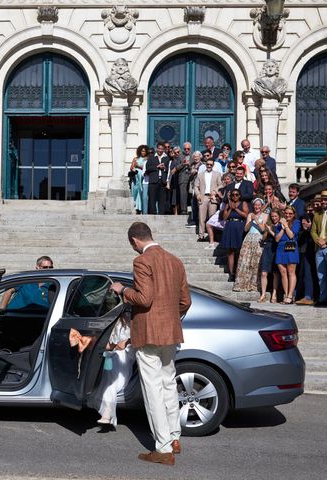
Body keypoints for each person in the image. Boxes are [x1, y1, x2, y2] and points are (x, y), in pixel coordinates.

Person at [111, 222, 191, 466]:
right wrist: (167, 318)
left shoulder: (142, 261)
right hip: (170, 332)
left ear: (135, 240)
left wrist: (123, 289)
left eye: (132, 245)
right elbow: (185, 302)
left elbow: (144, 299)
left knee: (153, 389)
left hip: (148, 333)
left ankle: (163, 447)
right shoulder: (175, 260)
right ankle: (175, 437)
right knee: (168, 384)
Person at [91, 309, 134, 429]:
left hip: (126, 357)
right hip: (112, 356)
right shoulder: (116, 321)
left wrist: (127, 341)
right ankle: (108, 411)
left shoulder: (136, 320)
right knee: (109, 371)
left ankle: (107, 412)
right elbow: (110, 345)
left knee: (112, 368)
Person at [233, 198, 267, 293]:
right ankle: (243, 284)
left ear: (262, 206)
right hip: (248, 239)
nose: (257, 207)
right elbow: (246, 229)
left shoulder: (265, 215)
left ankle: (254, 285)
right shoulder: (250, 215)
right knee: (245, 261)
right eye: (255, 205)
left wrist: (256, 218)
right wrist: (251, 220)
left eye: (259, 205)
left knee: (256, 263)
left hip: (258, 239)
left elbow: (263, 229)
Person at [221, 189, 249, 281]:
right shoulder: (228, 204)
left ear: (239, 196)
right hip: (230, 227)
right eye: (233, 195)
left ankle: (239, 271)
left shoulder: (243, 203)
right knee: (231, 251)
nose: (235, 196)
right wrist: (230, 209)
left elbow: (246, 215)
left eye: (237, 195)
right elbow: (224, 218)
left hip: (240, 227)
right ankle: (231, 273)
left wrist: (236, 209)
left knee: (239, 251)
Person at [275, 206, 301, 304]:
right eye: (286, 213)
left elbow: (291, 235)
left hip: (291, 246)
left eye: (290, 213)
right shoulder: (280, 223)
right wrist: (282, 228)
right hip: (281, 247)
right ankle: (285, 295)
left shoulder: (296, 222)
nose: (288, 215)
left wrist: (285, 226)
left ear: (294, 214)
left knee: (291, 272)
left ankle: (290, 296)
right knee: (283, 272)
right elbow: (277, 239)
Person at [193, 157, 222, 244]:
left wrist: (215, 191)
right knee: (202, 217)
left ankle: (211, 236)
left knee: (212, 218)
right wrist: (198, 195)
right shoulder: (200, 174)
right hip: (203, 196)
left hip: (212, 197)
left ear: (213, 165)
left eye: (211, 165)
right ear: (205, 164)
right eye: (208, 164)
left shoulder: (217, 174)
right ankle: (201, 235)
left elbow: (221, 185)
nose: (209, 166)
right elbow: (195, 186)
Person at [295, 215, 319, 305]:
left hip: (313, 251)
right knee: (304, 274)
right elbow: (300, 239)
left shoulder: (315, 223)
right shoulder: (301, 228)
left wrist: (309, 229)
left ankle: (311, 296)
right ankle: (306, 296)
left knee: (311, 274)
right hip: (304, 252)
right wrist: (305, 229)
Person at [260, 209, 282, 303]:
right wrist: (266, 230)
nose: (274, 218)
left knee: (275, 273)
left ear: (279, 216)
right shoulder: (269, 225)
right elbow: (264, 238)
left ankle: (274, 294)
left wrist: (271, 231)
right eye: (272, 216)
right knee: (264, 272)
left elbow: (278, 239)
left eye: (275, 216)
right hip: (268, 248)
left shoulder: (281, 226)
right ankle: (263, 294)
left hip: (277, 249)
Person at [144, 143, 168, 215]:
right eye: (159, 148)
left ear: (163, 149)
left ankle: (161, 214)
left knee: (162, 199)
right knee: (152, 198)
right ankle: (152, 213)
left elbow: (169, 169)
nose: (160, 150)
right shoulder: (151, 157)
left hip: (163, 181)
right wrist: (157, 166)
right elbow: (148, 168)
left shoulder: (166, 158)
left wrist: (164, 168)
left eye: (162, 149)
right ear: (157, 148)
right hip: (153, 180)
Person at [130, 145, 149, 213]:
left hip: (142, 177)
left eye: (144, 151)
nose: (143, 152)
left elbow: (145, 168)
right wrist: (133, 168)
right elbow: (131, 167)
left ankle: (141, 208)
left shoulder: (147, 159)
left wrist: (138, 166)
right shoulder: (135, 158)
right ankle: (136, 207)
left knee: (142, 191)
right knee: (135, 190)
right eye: (142, 151)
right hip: (136, 177)